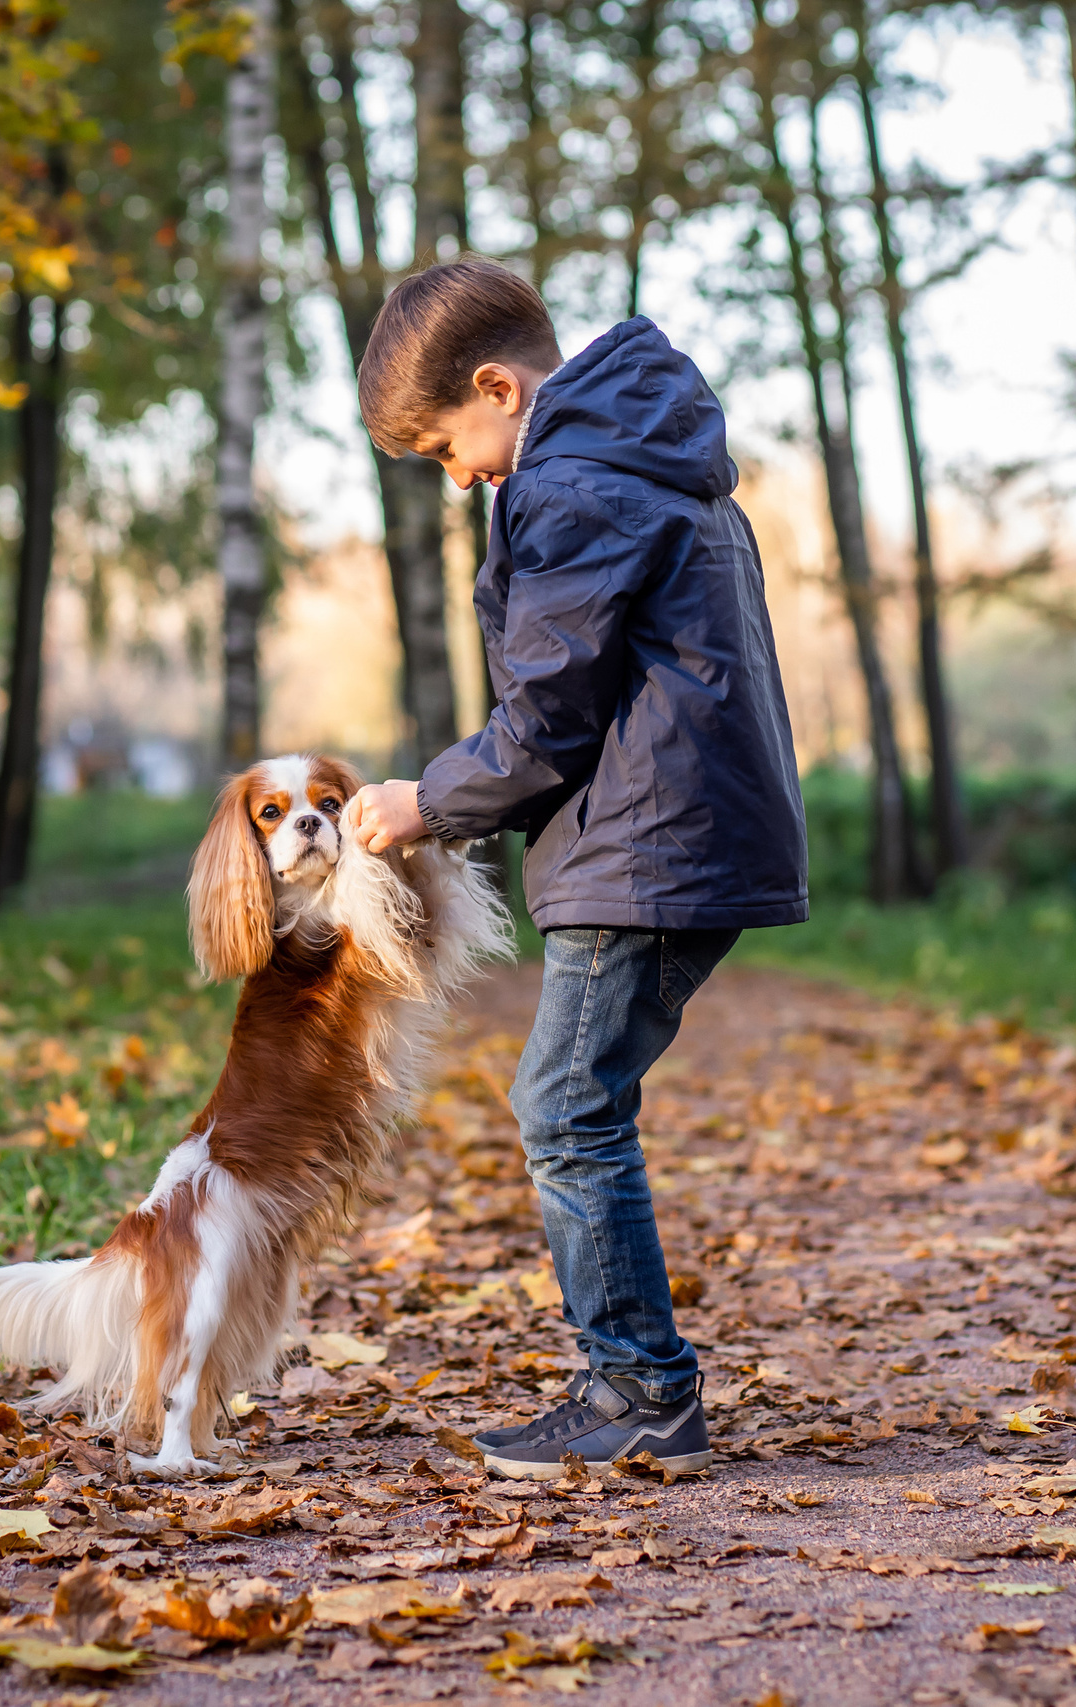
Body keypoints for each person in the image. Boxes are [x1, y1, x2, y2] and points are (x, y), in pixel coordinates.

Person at [343, 258, 809, 1480]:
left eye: (450, 449)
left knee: (565, 1108)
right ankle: (634, 1380)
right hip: (673, 833)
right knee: (577, 1103)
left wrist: (423, 801)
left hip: (648, 845)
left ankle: (643, 1390)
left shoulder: (574, 485)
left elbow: (548, 715)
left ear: (498, 387)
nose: (461, 479)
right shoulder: (649, 455)